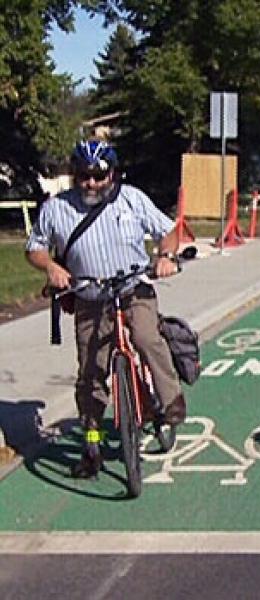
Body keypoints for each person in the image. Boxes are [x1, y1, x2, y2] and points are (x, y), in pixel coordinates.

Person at [25, 140, 186, 478]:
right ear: (74, 175)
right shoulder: (57, 209)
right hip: (88, 295)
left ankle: (170, 403)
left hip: (132, 286)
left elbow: (169, 231)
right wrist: (51, 267)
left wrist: (166, 257)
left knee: (145, 337)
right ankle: (92, 443)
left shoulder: (131, 198)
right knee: (90, 373)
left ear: (112, 174)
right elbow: (34, 247)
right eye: (84, 176)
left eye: (99, 176)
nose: (92, 184)